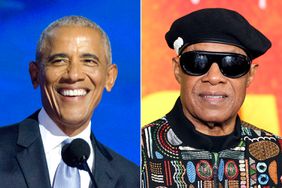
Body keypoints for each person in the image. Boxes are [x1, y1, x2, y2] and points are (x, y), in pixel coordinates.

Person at [142, 8, 282, 187]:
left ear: (251, 75)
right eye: (198, 62)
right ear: (177, 70)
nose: (214, 78)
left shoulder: (278, 155)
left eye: (233, 64)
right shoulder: (137, 154)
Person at [0, 16, 139, 188]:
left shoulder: (132, 179)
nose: (73, 75)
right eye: (59, 61)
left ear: (109, 77)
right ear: (35, 74)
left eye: (89, 61)